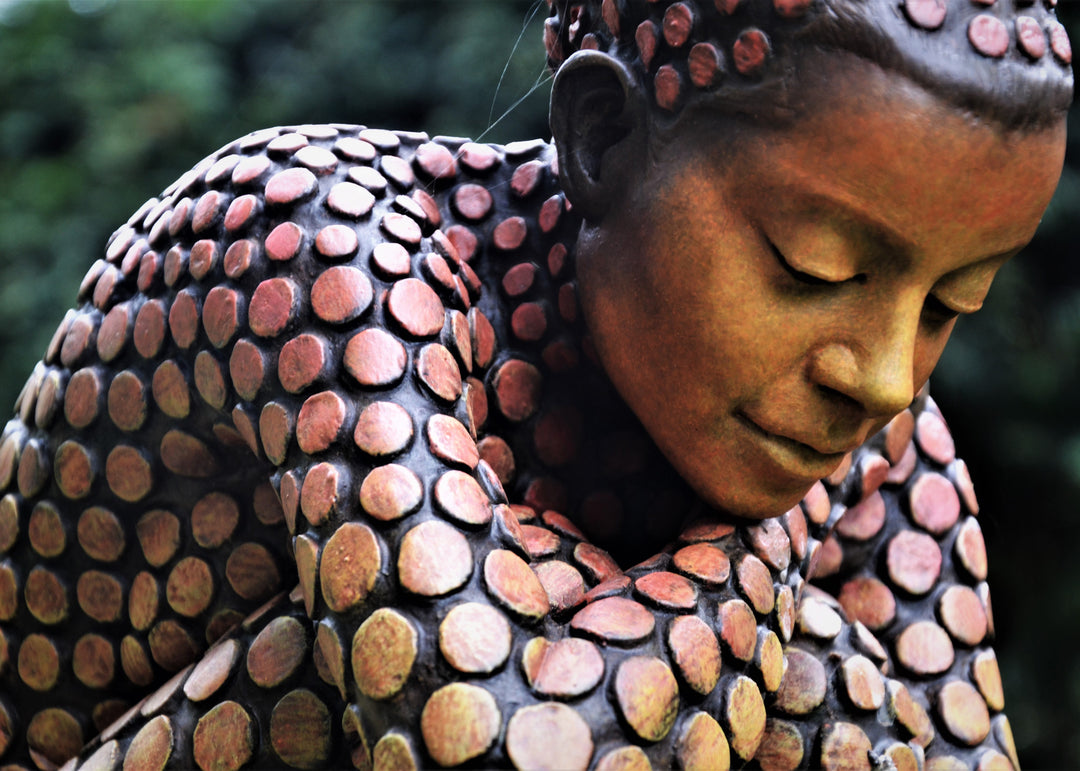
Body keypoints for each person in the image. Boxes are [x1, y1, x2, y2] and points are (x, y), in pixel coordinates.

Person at [0, 0, 1069, 768]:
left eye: (948, 308)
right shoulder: (322, 250)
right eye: (814, 270)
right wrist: (779, 557)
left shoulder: (882, 431)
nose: (883, 377)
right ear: (601, 137)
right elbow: (488, 740)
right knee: (800, 680)